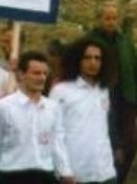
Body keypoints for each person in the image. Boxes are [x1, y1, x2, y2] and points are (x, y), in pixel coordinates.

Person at [0, 51, 73, 184]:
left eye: (44, 73)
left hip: (45, 175)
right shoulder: (2, 108)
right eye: (36, 73)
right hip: (12, 175)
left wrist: (65, 171)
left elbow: (57, 144)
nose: (42, 78)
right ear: (21, 74)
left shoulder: (53, 108)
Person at [50, 38, 117, 183]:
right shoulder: (61, 91)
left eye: (97, 58)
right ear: (77, 60)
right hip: (75, 174)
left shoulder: (103, 90)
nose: (93, 62)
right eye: (87, 58)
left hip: (105, 172)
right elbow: (55, 133)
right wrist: (64, 170)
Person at [85, 2, 137, 183]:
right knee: (106, 142)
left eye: (114, 18)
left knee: (130, 143)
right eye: (107, 18)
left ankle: (118, 178)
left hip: (125, 98)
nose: (111, 22)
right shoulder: (90, 41)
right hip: (101, 96)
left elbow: (133, 67)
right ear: (99, 19)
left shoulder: (124, 41)